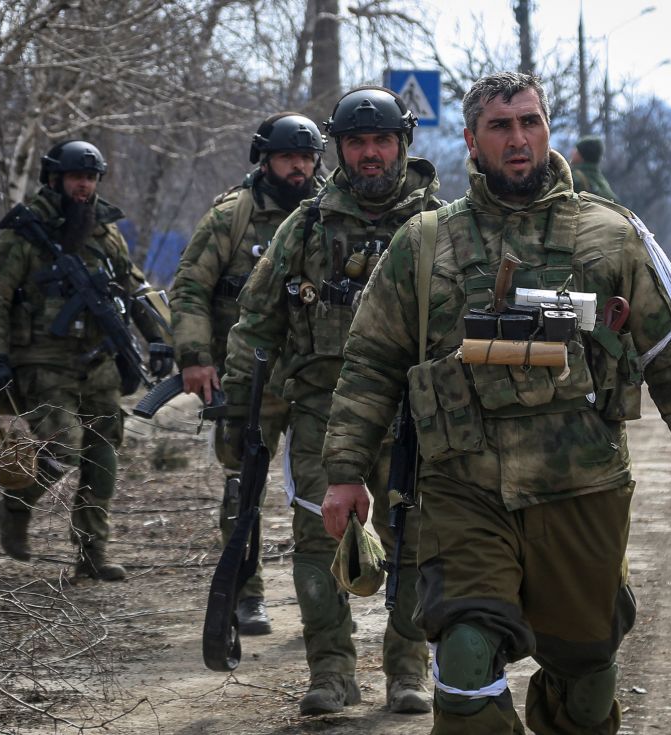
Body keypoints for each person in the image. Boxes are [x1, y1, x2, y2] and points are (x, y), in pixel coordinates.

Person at [321, 72, 671, 734]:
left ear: (547, 128)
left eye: (530, 121)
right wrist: (344, 471)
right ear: (470, 140)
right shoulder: (425, 244)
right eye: (500, 125)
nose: (519, 138)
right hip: (463, 491)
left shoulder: (615, 235)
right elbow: (370, 363)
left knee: (586, 680)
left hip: (581, 489)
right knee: (462, 656)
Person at [222, 86, 443, 716]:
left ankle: (408, 672)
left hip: (414, 416)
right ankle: (332, 671)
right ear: (339, 150)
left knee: (415, 540)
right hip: (321, 411)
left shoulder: (440, 224)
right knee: (321, 540)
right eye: (356, 143)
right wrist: (243, 409)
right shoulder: (308, 225)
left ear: (403, 144)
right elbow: (257, 321)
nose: (370, 154)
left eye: (381, 141)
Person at [0, 140, 174, 581]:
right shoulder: (27, 232)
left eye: (90, 178)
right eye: (74, 177)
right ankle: (15, 506)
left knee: (103, 457)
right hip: (41, 360)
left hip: (97, 361)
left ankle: (91, 555)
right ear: (54, 179)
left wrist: (160, 338)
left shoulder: (106, 231)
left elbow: (134, 287)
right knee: (63, 445)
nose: (83, 186)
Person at [170, 112, 325, 635]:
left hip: (316, 377)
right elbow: (190, 288)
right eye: (288, 157)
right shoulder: (230, 217)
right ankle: (245, 594)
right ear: (266, 159)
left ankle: (324, 603)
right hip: (249, 376)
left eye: (306, 157)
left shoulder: (332, 213)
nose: (299, 167)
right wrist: (195, 356)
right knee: (244, 490)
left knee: (320, 491)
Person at [571, 134, 618, 202]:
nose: (573, 153)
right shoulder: (602, 182)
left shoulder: (573, 177)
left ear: (582, 155)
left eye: (576, 150)